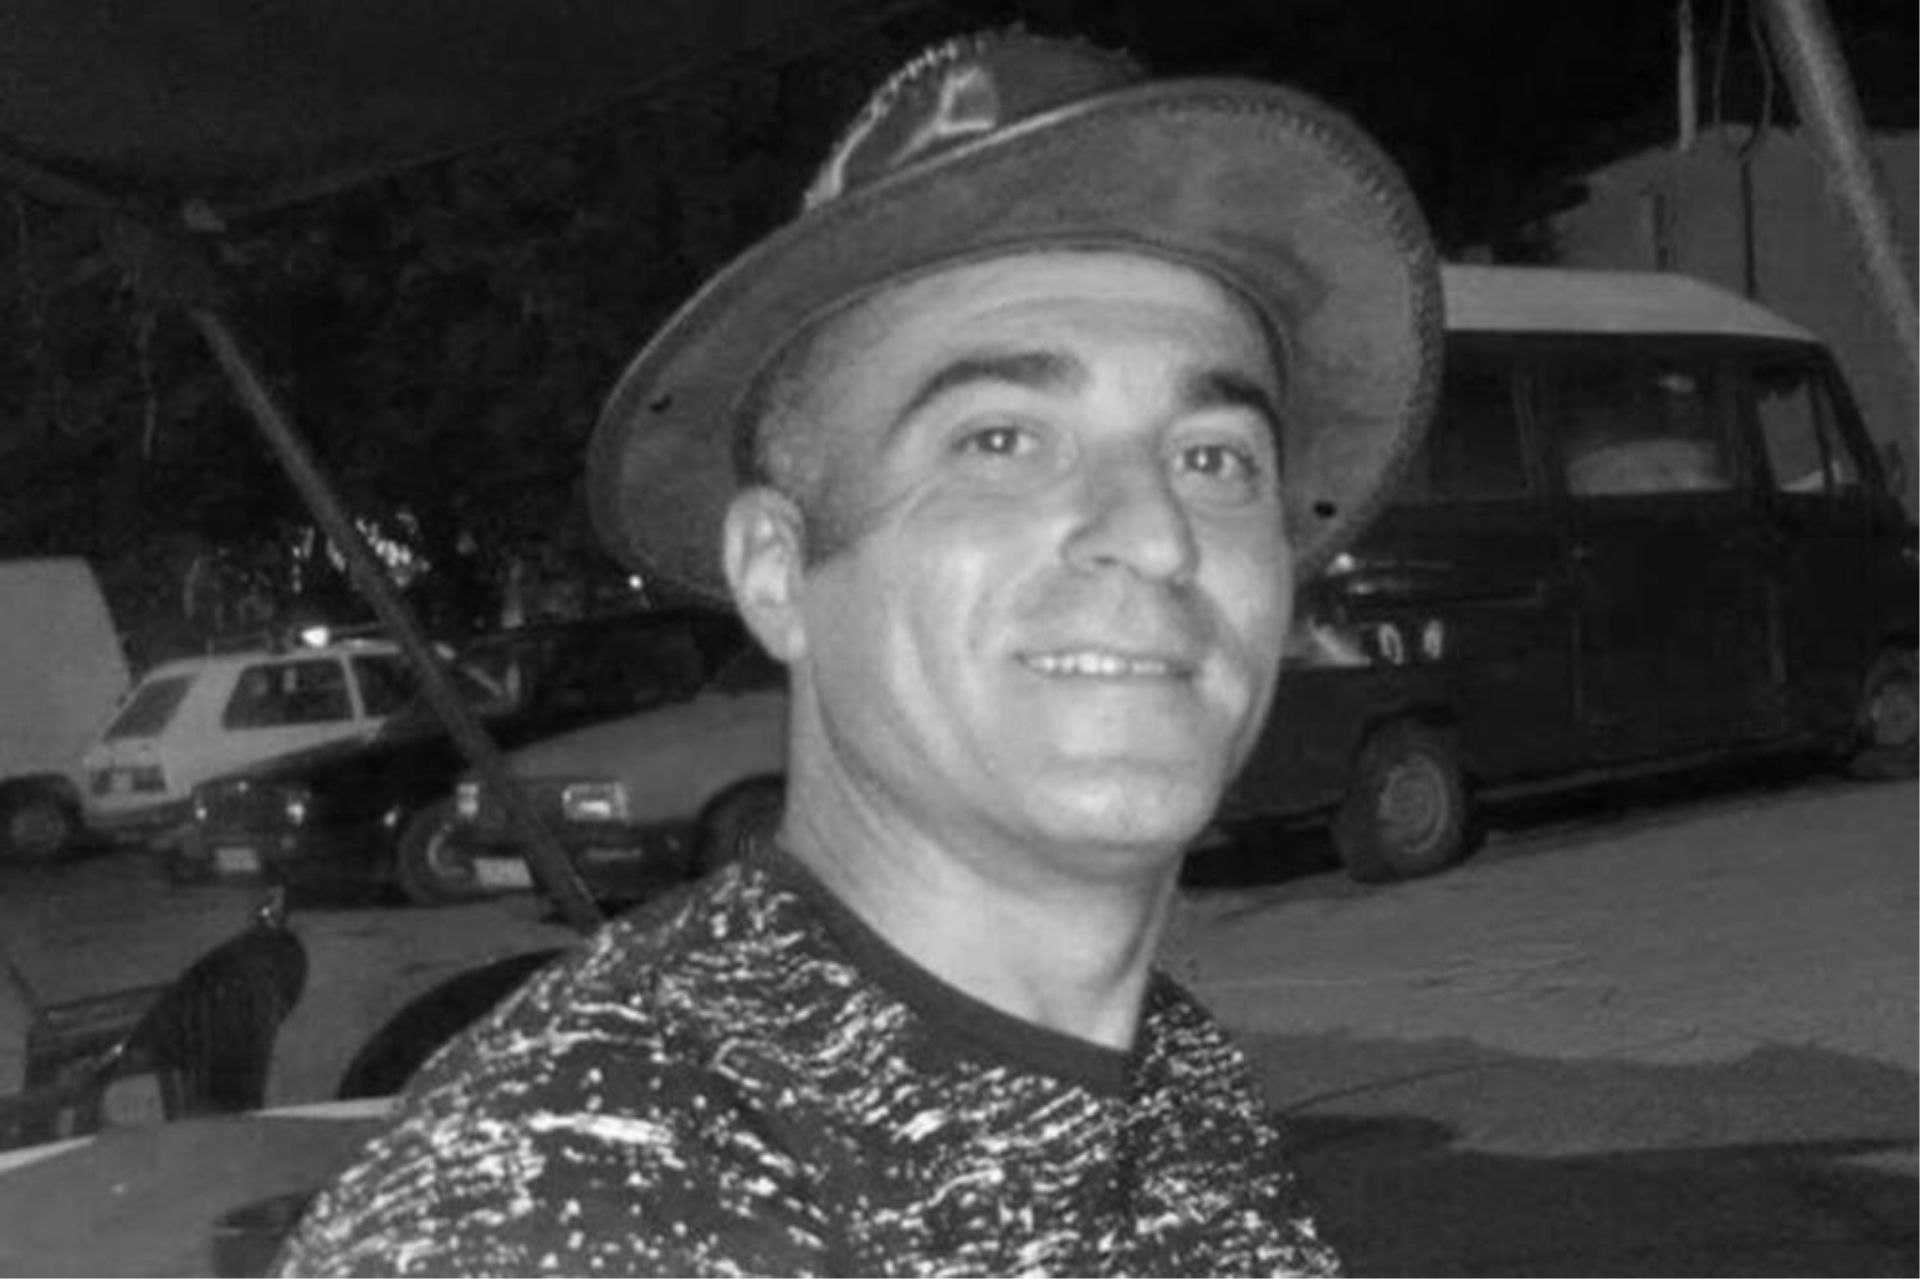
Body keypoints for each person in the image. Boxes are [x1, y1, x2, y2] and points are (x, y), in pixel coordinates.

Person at [275, 28, 1440, 1277]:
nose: (1156, 534)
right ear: (778, 571)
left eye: (1214, 457)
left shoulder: (1174, 1077)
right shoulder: (568, 1196)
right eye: (1001, 440)